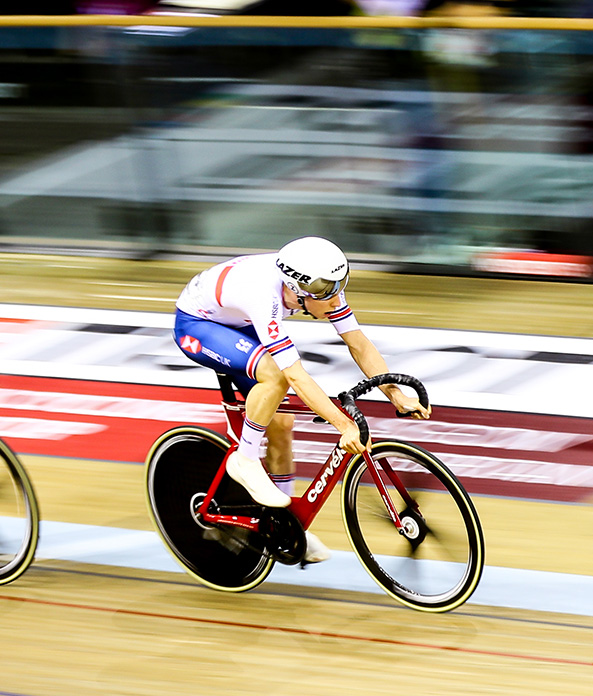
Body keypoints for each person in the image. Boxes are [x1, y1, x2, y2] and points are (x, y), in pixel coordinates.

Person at [172, 236, 431, 563]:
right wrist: (343, 424)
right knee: (276, 376)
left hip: (240, 323)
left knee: (281, 423)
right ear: (297, 290)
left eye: (339, 289)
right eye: (328, 295)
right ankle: (245, 459)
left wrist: (395, 394)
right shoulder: (264, 294)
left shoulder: (321, 284)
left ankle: (286, 525)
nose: (336, 301)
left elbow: (359, 343)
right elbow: (294, 376)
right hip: (200, 324)